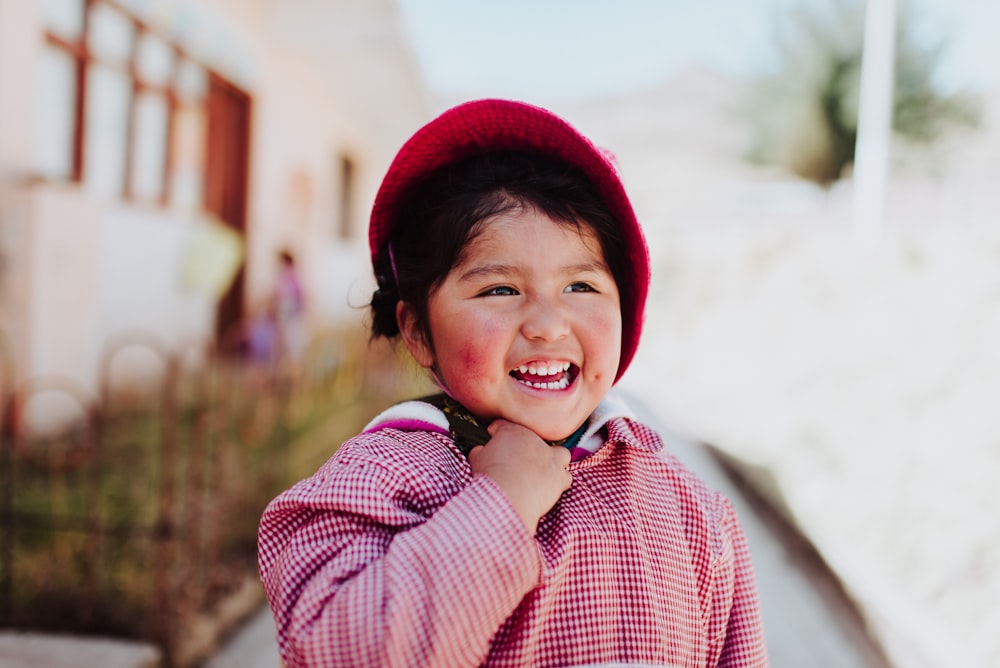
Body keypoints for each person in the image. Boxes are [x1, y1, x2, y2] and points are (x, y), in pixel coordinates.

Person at [257, 99, 769, 667]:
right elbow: (333, 653)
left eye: (581, 286)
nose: (548, 325)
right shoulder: (377, 482)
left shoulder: (694, 512)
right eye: (499, 290)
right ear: (418, 330)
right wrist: (502, 503)